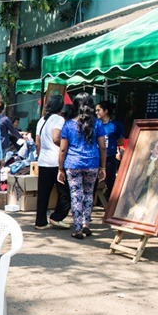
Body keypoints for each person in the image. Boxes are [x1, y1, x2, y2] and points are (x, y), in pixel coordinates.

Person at [58, 92, 107, 239]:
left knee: (76, 195)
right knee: (88, 193)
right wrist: (103, 167)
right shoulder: (98, 124)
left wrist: (60, 168)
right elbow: (103, 147)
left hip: (72, 163)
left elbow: (62, 149)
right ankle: (86, 225)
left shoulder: (68, 125)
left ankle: (78, 228)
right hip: (92, 162)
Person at [34, 95, 72, 230]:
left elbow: (37, 143)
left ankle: (40, 222)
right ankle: (57, 216)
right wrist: (64, 146)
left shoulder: (41, 120)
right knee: (65, 192)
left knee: (43, 193)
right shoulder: (59, 119)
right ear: (60, 106)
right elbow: (56, 137)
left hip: (43, 160)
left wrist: (40, 154)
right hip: (56, 161)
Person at [116, 139, 158, 223]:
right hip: (134, 200)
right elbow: (130, 186)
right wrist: (133, 205)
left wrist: (148, 208)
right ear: (152, 149)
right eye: (157, 147)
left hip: (148, 204)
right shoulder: (141, 164)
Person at [96, 101, 125, 201]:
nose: (96, 112)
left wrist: (112, 145)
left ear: (106, 111)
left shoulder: (115, 125)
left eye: (98, 110)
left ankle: (111, 201)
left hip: (110, 157)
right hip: (96, 157)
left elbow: (121, 141)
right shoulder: (95, 124)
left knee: (110, 180)